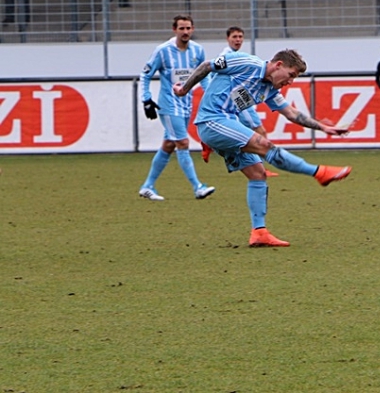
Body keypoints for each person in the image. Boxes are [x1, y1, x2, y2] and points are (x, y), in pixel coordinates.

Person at [173, 49, 352, 247]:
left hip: (228, 124)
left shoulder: (270, 89)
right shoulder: (247, 63)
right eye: (291, 75)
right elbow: (207, 66)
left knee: (258, 174)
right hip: (212, 120)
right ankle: (319, 172)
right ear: (278, 65)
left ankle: (259, 233)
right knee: (265, 146)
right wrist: (184, 90)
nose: (290, 82)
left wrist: (323, 127)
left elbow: (291, 113)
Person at [138, 14, 215, 201]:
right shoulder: (163, 51)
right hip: (168, 105)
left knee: (169, 145)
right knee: (183, 143)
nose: (185, 32)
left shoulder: (197, 51)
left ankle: (147, 186)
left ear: (193, 29)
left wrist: (211, 94)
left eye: (188, 28)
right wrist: (146, 99)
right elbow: (145, 74)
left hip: (186, 104)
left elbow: (203, 75)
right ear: (174, 30)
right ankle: (198, 187)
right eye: (182, 28)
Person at [200, 25, 278, 177]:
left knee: (244, 133)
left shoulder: (239, 54)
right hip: (235, 98)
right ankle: (261, 165)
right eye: (234, 37)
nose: (238, 40)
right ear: (227, 39)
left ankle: (210, 144)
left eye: (240, 37)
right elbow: (208, 71)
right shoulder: (227, 55)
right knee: (259, 130)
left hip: (239, 98)